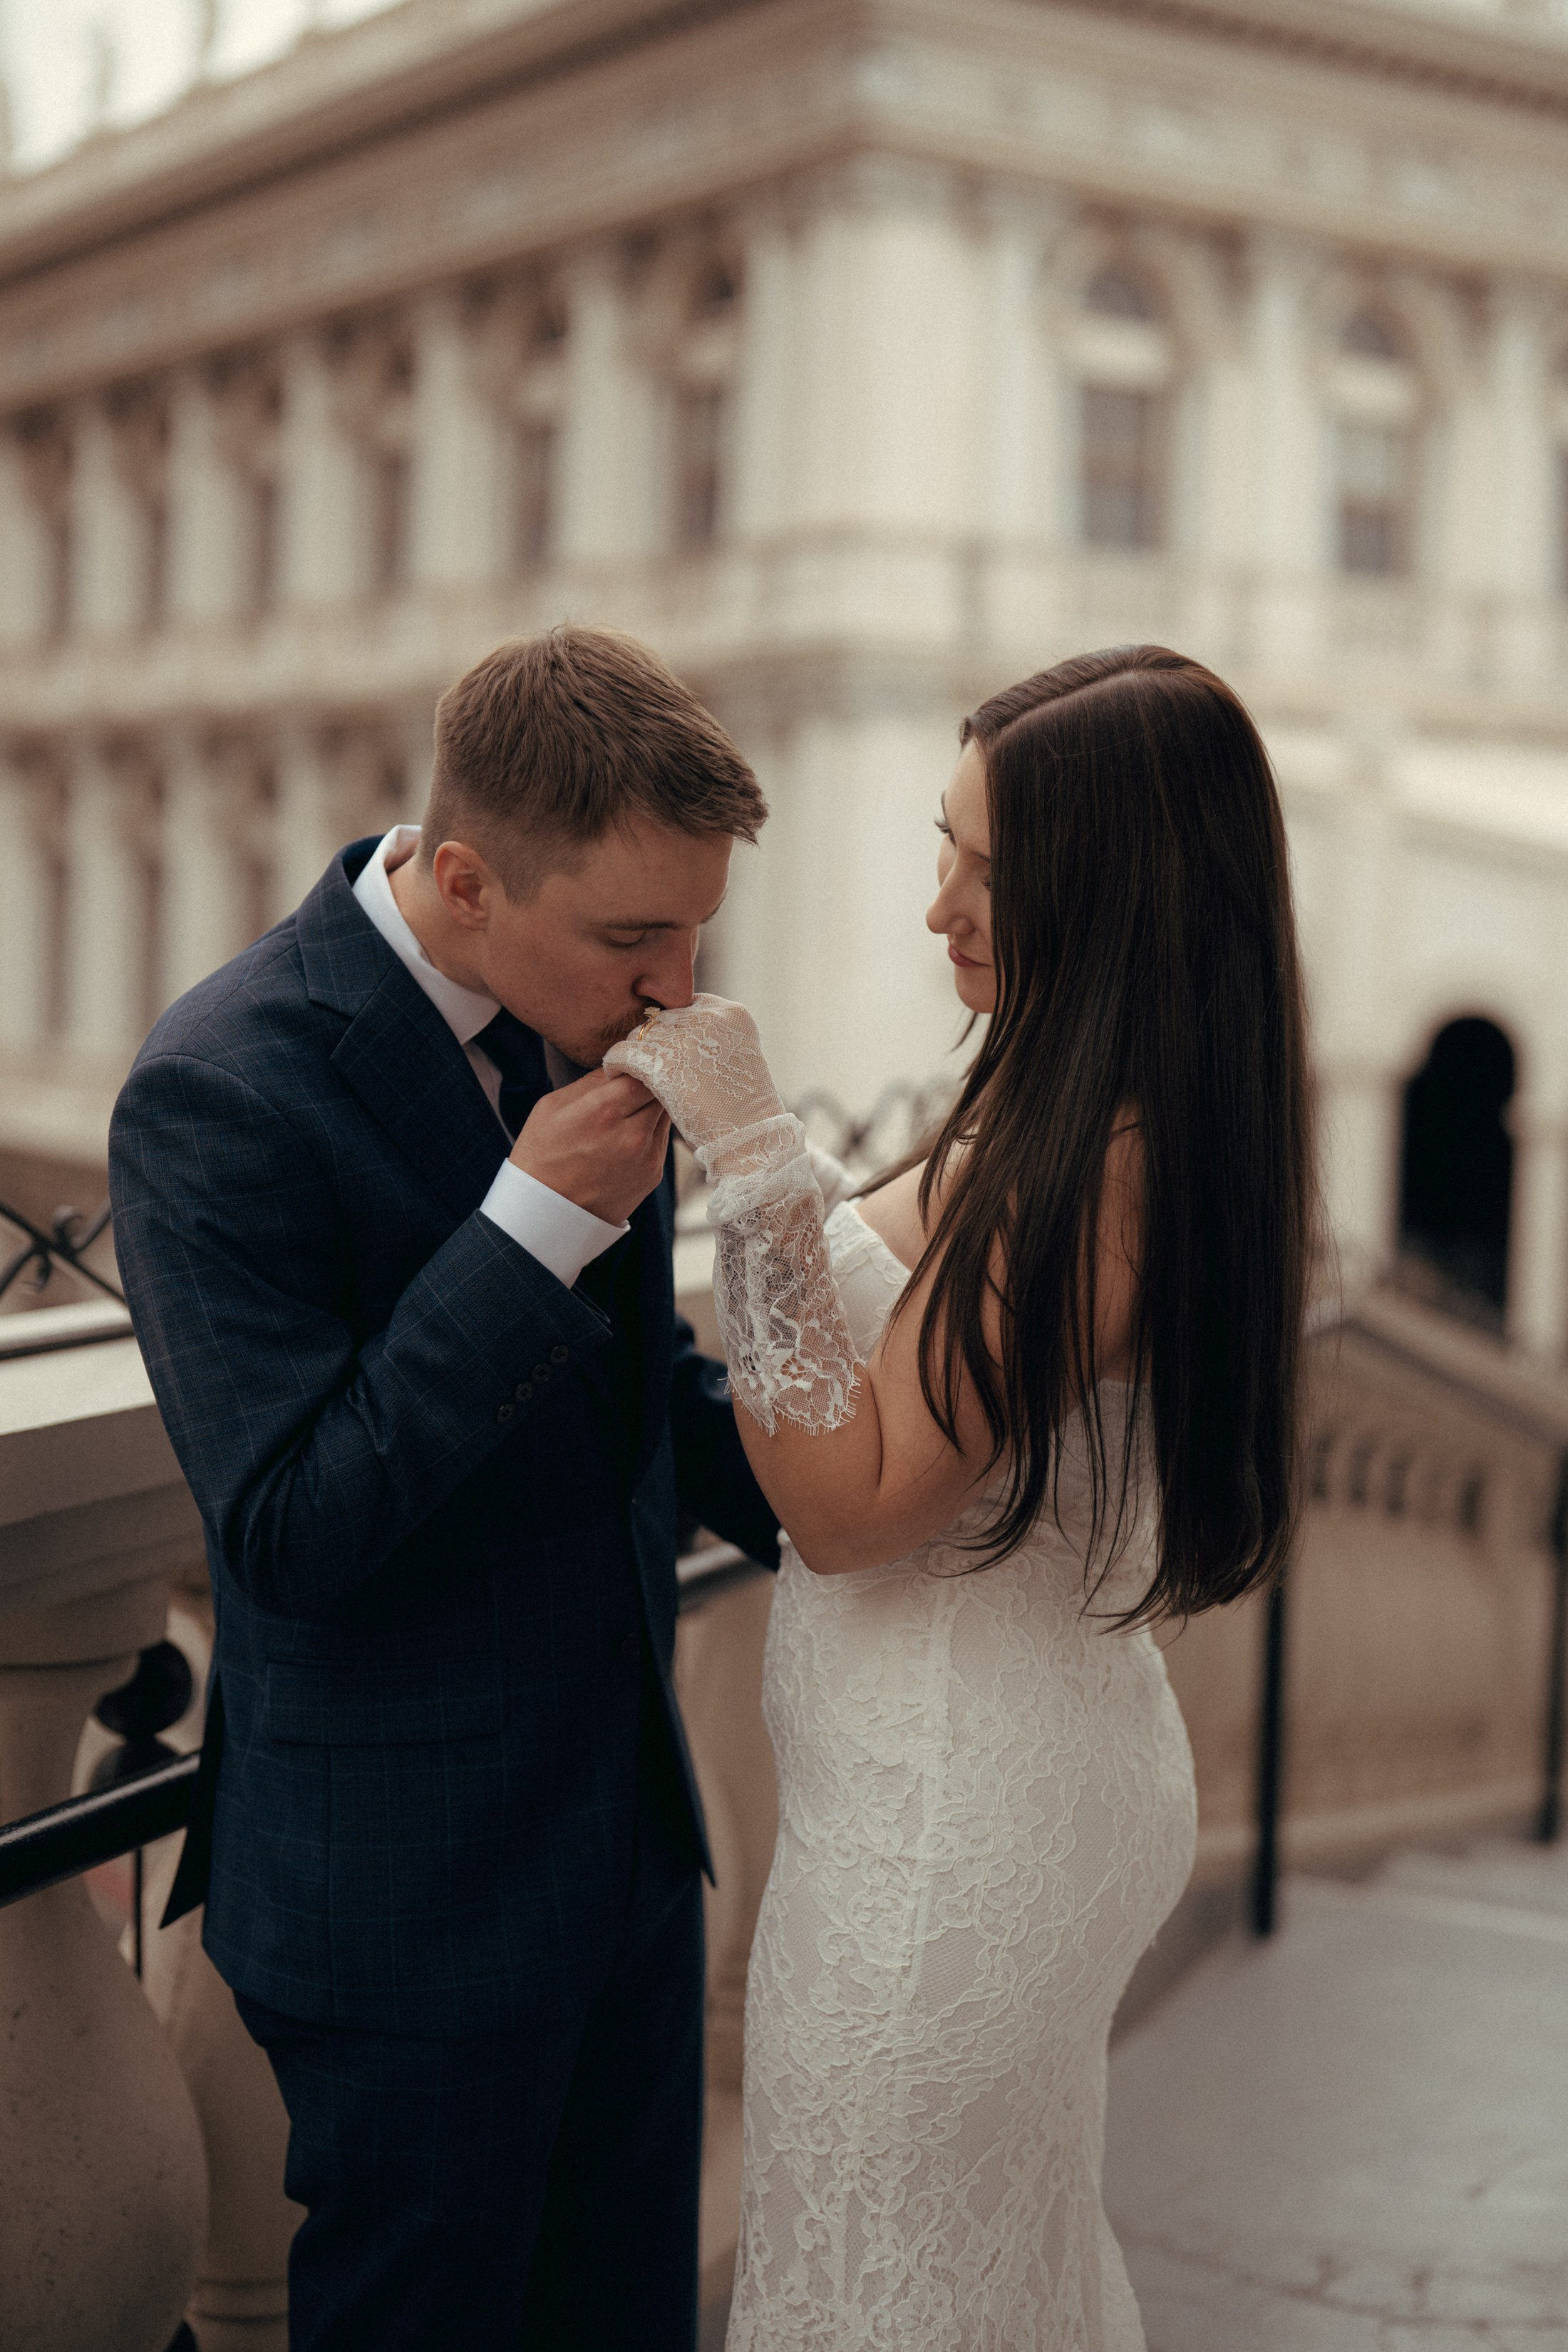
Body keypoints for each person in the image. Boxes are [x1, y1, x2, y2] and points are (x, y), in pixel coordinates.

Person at [609, 644, 1316, 2351]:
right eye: (944, 845)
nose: (940, 907)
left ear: (1117, 894)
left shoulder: (1106, 1164)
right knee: (976, 2280)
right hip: (974, 1784)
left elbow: (850, 1508)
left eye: (989, 872)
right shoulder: (1094, 1111)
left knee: (885, 2293)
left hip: (948, 1837)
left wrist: (756, 1158)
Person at [109, 626, 780, 2352]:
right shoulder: (216, 1088)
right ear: (467, 880)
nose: (675, 982)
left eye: (695, 925)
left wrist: (848, 1484)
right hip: (404, 1913)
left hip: (629, 1855)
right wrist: (530, 1230)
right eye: (636, 934)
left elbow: (630, 1406)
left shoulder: (580, 1014)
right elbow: (287, 1535)